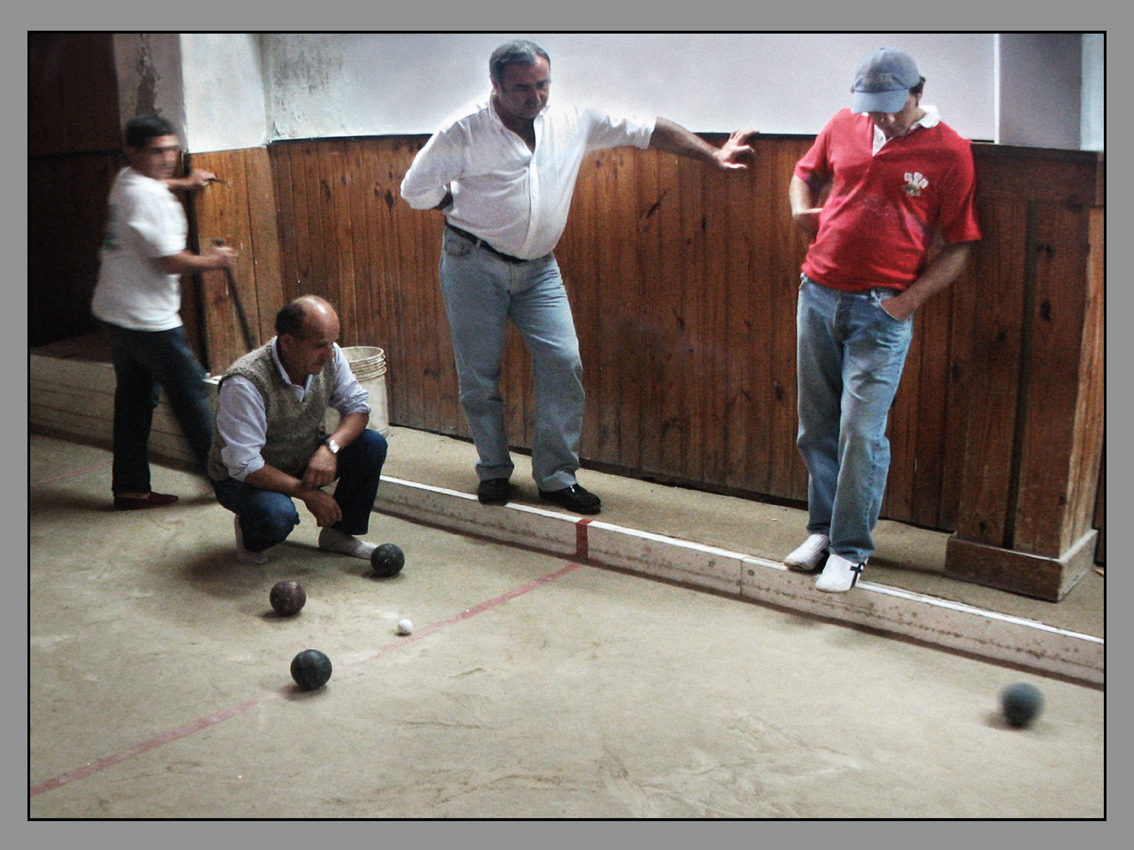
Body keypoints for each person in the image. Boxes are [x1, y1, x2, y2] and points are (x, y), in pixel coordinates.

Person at [401, 39, 757, 514]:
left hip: (539, 269)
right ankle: (493, 470)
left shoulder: (571, 119)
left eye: (543, 84)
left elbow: (648, 130)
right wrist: (455, 207)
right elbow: (413, 189)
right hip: (472, 262)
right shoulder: (462, 130)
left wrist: (711, 155)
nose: (536, 96)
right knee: (479, 376)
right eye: (522, 88)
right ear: (496, 86)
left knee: (564, 362)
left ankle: (555, 477)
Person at [785, 47, 981, 592]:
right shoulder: (843, 124)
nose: (882, 119)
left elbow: (961, 247)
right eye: (872, 107)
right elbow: (804, 173)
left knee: (861, 431)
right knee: (816, 426)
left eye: (893, 107)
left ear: (917, 93)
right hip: (818, 292)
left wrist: (905, 302)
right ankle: (822, 530)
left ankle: (850, 549)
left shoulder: (951, 151)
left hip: (883, 308)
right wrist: (801, 211)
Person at [91, 114, 238, 510]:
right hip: (147, 319)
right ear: (133, 152)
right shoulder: (149, 196)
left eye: (172, 148)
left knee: (135, 400)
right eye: (157, 151)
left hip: (114, 309)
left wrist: (185, 184)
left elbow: (152, 185)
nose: (168, 158)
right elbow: (169, 262)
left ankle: (130, 488)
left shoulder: (127, 180)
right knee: (191, 395)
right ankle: (228, 483)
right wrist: (214, 260)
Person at [208, 295, 389, 565]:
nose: (329, 354)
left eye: (331, 343)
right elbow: (245, 465)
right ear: (288, 343)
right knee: (277, 515)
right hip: (242, 478)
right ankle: (250, 532)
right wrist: (309, 494)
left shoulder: (330, 356)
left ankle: (337, 535)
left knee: (371, 445)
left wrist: (331, 448)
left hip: (298, 457)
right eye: (319, 346)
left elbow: (358, 408)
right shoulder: (244, 383)